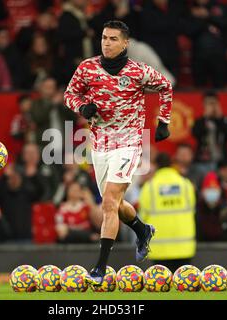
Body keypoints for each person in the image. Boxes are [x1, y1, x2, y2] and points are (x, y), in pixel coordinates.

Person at [64, 20, 172, 284]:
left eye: (113, 39)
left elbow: (165, 86)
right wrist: (81, 107)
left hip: (128, 143)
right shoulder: (87, 68)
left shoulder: (138, 71)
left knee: (109, 204)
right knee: (117, 205)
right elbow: (69, 94)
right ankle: (142, 229)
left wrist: (164, 120)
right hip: (99, 145)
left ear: (125, 43)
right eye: (104, 37)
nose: (107, 42)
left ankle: (100, 269)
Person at [139, 153, 196, 273]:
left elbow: (142, 217)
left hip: (159, 249)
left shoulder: (149, 187)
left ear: (155, 166)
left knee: (161, 284)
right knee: (184, 283)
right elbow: (192, 209)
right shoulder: (186, 184)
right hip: (184, 247)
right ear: (171, 165)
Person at [192, 91, 227, 174]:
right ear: (203, 105)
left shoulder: (225, 120)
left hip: (222, 162)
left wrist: (220, 118)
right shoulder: (199, 121)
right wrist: (205, 118)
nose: (211, 106)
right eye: (208, 104)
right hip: (203, 161)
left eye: (213, 103)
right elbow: (196, 134)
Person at [196, 172, 224, 242]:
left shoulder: (223, 210)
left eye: (215, 189)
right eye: (209, 189)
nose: (212, 192)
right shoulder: (197, 211)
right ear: (203, 192)